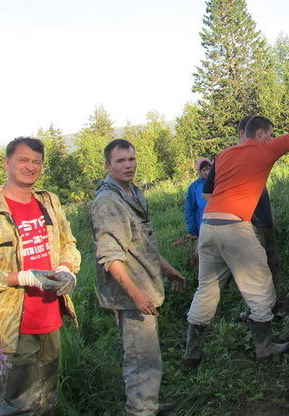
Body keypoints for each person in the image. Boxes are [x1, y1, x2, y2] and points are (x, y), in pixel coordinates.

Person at [182, 89, 289, 365]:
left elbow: (209, 195)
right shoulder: (265, 149)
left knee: (206, 289)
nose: (271, 138)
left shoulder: (224, 154)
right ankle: (264, 347)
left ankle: (191, 354)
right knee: (259, 286)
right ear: (259, 134)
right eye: (269, 133)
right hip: (235, 227)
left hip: (208, 226)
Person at [0, 136, 81, 416]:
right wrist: (22, 278)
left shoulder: (49, 202)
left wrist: (66, 269)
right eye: (23, 160)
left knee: (46, 399)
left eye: (36, 161)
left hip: (49, 316)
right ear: (6, 163)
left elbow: (68, 244)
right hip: (8, 328)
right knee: (18, 405)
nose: (30, 167)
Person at [90, 139, 186, 416]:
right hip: (131, 293)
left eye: (131, 159)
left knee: (149, 354)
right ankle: (140, 410)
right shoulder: (107, 202)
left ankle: (148, 404)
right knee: (140, 357)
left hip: (145, 284)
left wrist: (166, 267)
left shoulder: (133, 193)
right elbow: (109, 256)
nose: (128, 165)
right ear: (108, 165)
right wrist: (135, 293)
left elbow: (144, 242)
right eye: (120, 161)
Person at [201, 117, 279, 287]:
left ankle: (273, 304)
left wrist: (269, 212)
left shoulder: (258, 153)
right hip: (241, 225)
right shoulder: (225, 157)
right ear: (242, 133)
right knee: (251, 271)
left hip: (264, 218)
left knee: (271, 262)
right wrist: (239, 214)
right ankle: (255, 309)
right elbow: (207, 193)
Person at [184, 158, 212, 239]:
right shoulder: (194, 188)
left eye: (209, 169)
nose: (207, 172)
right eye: (204, 170)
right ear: (199, 172)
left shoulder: (217, 183)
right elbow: (189, 210)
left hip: (219, 226)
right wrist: (192, 231)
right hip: (203, 229)